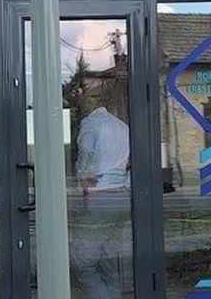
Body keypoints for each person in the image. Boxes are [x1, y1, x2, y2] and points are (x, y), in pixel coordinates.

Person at [70, 101, 132, 297]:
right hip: (121, 197)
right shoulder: (122, 126)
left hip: (100, 196)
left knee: (82, 261)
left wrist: (82, 174)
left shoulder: (92, 122)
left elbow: (86, 149)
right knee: (108, 261)